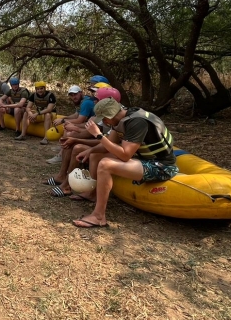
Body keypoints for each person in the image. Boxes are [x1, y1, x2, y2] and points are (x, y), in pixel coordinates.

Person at [71, 97, 178, 229]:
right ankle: (92, 194)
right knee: (96, 155)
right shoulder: (121, 119)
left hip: (162, 167)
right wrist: (90, 151)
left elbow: (125, 155)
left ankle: (99, 216)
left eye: (104, 118)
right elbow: (107, 146)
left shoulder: (137, 122)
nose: (104, 122)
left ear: (112, 115)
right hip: (144, 159)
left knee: (105, 164)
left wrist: (99, 135)